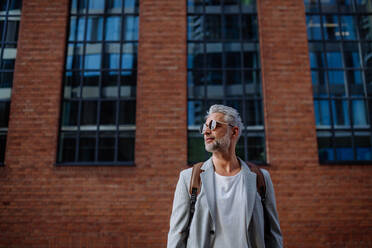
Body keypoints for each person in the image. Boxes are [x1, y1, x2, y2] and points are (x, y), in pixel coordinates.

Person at [167, 104, 283, 248]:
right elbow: (177, 234)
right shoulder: (189, 178)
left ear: (234, 132)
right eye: (204, 127)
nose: (206, 131)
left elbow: (273, 235)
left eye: (214, 125)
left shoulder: (260, 178)